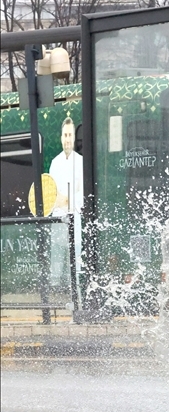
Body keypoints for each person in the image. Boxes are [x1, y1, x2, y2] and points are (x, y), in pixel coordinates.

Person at [47, 117, 84, 295]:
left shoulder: (81, 162)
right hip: (58, 221)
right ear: (61, 137)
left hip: (75, 221)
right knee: (57, 261)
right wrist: (59, 201)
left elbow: (82, 194)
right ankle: (56, 299)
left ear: (74, 137)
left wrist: (67, 200)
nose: (67, 138)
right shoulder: (55, 163)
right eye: (65, 135)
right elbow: (50, 191)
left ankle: (76, 298)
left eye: (70, 135)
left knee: (75, 264)